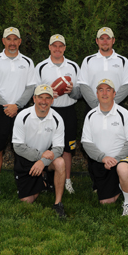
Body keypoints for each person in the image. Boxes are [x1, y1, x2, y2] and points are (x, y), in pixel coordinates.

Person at [0, 27, 35, 198]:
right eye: (9, 39)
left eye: (15, 39)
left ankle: (24, 183)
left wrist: (17, 106)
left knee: (22, 149)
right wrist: (6, 106)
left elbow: (30, 87)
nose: (12, 43)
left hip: (21, 110)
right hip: (0, 110)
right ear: (3, 41)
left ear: (20, 41)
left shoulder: (27, 62)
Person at [81, 79, 128, 216]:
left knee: (123, 169)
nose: (104, 93)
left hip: (121, 159)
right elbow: (86, 143)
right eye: (101, 90)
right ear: (97, 93)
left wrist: (117, 159)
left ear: (114, 94)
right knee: (106, 202)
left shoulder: (123, 113)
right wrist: (103, 158)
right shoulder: (90, 115)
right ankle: (123, 184)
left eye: (108, 90)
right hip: (102, 162)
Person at [35, 34, 81, 194]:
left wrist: (72, 91)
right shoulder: (41, 66)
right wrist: (47, 95)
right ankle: (43, 180)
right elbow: (35, 91)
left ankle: (67, 180)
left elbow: (80, 91)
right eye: (54, 45)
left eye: (60, 46)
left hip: (68, 110)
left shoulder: (73, 66)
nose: (57, 49)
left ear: (65, 48)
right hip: (48, 112)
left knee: (67, 148)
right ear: (49, 47)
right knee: (45, 145)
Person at [12, 84, 66, 218]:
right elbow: (18, 147)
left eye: (48, 98)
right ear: (34, 98)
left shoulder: (57, 119)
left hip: (47, 159)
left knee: (60, 163)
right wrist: (40, 156)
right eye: (40, 97)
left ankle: (58, 203)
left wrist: (42, 162)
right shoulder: (22, 116)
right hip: (26, 157)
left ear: (52, 100)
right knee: (27, 201)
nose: (44, 101)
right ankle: (43, 181)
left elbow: (59, 148)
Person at [78, 27, 128, 111]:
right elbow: (84, 85)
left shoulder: (123, 61)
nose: (105, 42)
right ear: (97, 41)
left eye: (108, 38)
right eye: (102, 38)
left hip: (116, 107)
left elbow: (127, 85)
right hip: (93, 107)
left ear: (113, 40)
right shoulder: (88, 60)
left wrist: (111, 104)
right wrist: (96, 105)